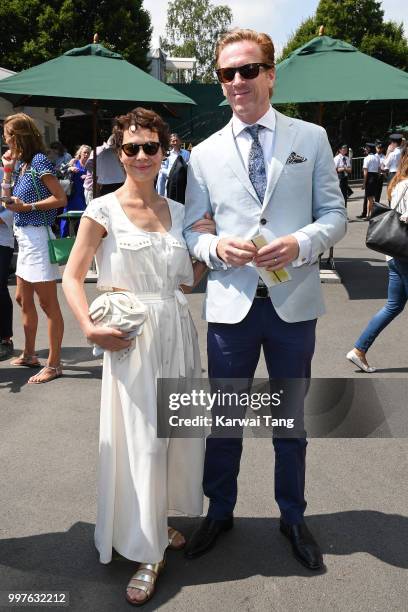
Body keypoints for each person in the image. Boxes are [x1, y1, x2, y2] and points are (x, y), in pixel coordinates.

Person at [183, 28, 347, 570]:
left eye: (247, 70)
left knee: (289, 422)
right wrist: (213, 245)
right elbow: (191, 232)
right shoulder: (203, 153)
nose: (237, 82)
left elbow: (336, 215)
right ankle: (220, 509)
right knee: (224, 419)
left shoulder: (311, 138)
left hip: (292, 304)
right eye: (227, 73)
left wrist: (301, 242)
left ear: (271, 75)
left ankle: (293, 516)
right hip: (231, 306)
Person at [62, 107, 215, 606]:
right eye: (132, 148)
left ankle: (156, 520)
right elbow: (72, 274)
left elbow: (187, 280)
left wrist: (206, 245)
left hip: (177, 330)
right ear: (118, 152)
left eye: (152, 146)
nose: (142, 155)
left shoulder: (178, 209)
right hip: (131, 341)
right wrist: (87, 326)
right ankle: (148, 550)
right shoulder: (100, 210)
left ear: (164, 150)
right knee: (143, 443)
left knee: (175, 438)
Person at [1, 113, 66, 383]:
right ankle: (29, 354)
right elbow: (13, 196)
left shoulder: (38, 161)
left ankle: (54, 363)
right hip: (25, 237)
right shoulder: (24, 165)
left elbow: (60, 198)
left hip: (37, 237)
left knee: (48, 304)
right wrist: (7, 170)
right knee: (22, 299)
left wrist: (26, 206)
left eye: (6, 136)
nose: (4, 141)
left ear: (18, 137)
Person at [347, 143, 408, 373]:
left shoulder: (398, 183)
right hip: (405, 256)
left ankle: (359, 350)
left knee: (393, 306)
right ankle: (358, 350)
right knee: (393, 306)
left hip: (394, 254)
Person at [60, 144, 90, 237]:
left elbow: (97, 176)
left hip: (84, 193)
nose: (86, 155)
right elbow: (61, 171)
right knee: (67, 215)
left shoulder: (90, 164)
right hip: (72, 192)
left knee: (83, 216)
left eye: (88, 153)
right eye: (84, 152)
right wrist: (70, 168)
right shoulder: (74, 161)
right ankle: (63, 237)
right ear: (80, 153)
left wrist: (88, 176)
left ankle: (80, 237)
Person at [0, 194, 14, 361]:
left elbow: (10, 212)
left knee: (0, 288)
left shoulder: (5, 174)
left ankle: (5, 338)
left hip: (2, 241)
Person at [156, 133, 190, 201]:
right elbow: (162, 169)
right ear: (170, 143)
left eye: (176, 140)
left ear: (180, 141)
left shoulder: (186, 153)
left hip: (183, 183)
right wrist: (172, 174)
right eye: (172, 141)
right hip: (170, 183)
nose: (174, 142)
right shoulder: (167, 155)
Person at [362, 143, 380, 218]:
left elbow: (365, 172)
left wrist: (364, 183)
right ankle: (370, 214)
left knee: (369, 198)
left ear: (369, 149)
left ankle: (370, 215)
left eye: (366, 148)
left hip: (370, 177)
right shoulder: (377, 158)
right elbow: (379, 169)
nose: (365, 149)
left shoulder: (367, 158)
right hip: (376, 177)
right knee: (372, 197)